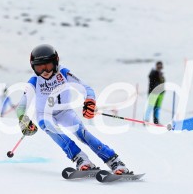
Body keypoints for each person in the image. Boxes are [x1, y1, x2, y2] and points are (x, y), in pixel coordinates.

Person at [16, 44, 131, 173]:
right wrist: (23, 119)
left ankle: (114, 160)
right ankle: (81, 159)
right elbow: (20, 107)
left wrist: (89, 101)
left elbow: (86, 88)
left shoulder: (63, 73)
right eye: (39, 68)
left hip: (64, 112)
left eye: (48, 66)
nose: (45, 72)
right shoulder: (34, 81)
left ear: (56, 62)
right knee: (50, 128)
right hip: (44, 114)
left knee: (82, 134)